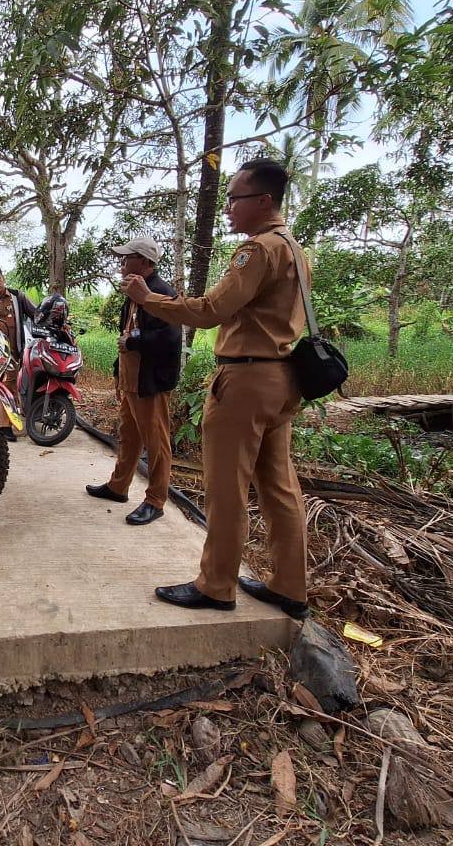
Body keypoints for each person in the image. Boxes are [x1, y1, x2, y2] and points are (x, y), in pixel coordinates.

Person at [122, 159, 312, 620]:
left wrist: (149, 299)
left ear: (263, 201)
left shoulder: (258, 250)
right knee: (280, 486)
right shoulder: (296, 249)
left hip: (246, 380)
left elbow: (211, 309)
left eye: (234, 198)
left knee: (226, 486)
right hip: (283, 379)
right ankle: (290, 586)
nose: (228, 208)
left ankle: (215, 585)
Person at [86, 236, 181, 525]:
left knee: (156, 442)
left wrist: (135, 341)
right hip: (131, 380)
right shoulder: (134, 294)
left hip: (150, 382)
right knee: (128, 436)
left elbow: (170, 337)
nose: (121, 263)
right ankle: (118, 486)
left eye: (127, 258)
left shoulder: (162, 292)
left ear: (145, 262)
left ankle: (155, 500)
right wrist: (118, 371)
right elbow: (123, 337)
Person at [0, 266, 37, 440]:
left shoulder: (18, 297)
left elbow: (36, 314)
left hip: (12, 354)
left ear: (3, 279)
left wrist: (56, 324)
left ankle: (4, 427)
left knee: (8, 387)